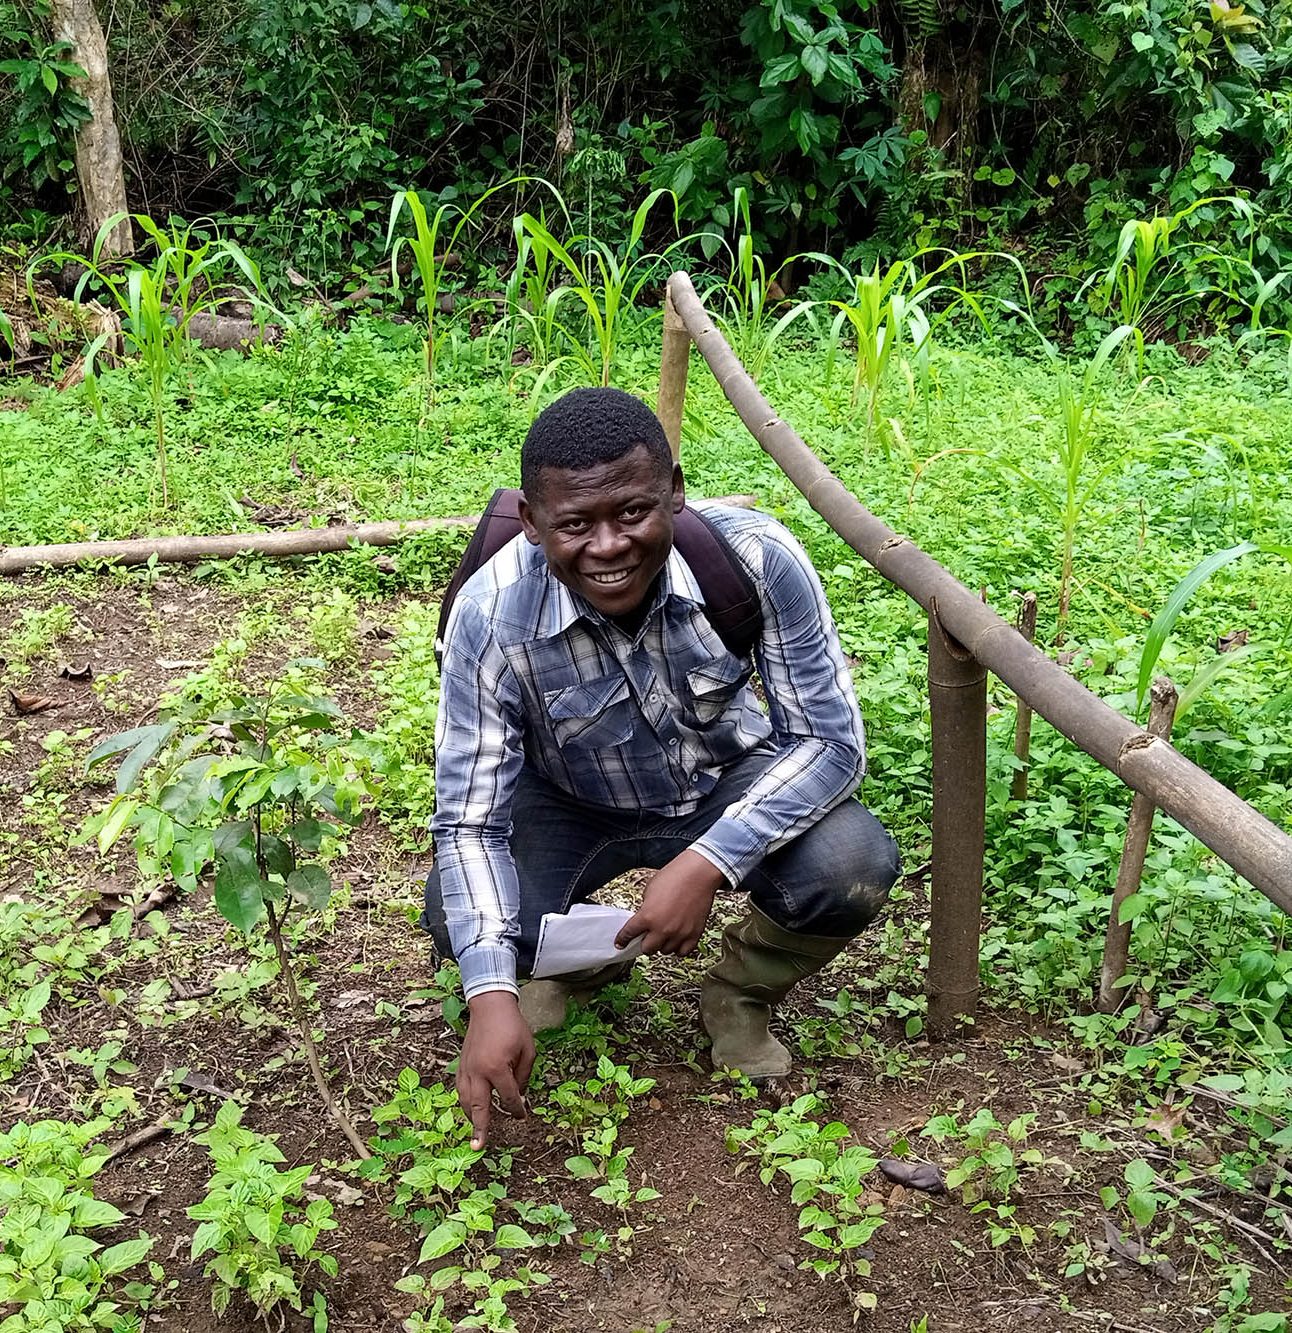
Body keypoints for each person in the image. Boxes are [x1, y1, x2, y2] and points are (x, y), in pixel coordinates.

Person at [422, 386, 899, 1149]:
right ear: (534, 524)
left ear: (674, 491)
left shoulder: (753, 559)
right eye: (575, 523)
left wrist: (708, 861)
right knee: (459, 916)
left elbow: (831, 743)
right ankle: (576, 965)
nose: (608, 545)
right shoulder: (490, 614)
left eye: (633, 512)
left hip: (721, 781)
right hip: (567, 798)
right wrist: (486, 995)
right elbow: (471, 820)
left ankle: (740, 992)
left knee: (852, 862)